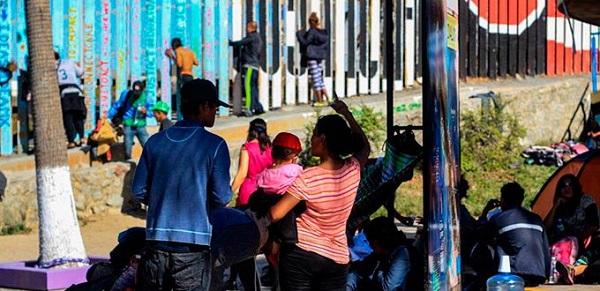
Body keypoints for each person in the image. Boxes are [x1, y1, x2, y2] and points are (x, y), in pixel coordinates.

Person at [132, 78, 233, 290]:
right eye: (214, 107)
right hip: (192, 250)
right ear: (204, 107)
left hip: (155, 246)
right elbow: (222, 197)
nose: (216, 112)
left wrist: (162, 200)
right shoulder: (215, 145)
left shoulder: (155, 142)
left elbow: (139, 190)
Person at [269, 99, 370, 290]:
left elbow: (276, 214)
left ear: (322, 139)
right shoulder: (352, 170)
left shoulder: (308, 177)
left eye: (314, 135)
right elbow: (364, 146)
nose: (311, 139)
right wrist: (345, 113)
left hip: (301, 256)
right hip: (336, 258)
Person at [474, 182, 550, 287]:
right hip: (538, 275)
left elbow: (480, 236)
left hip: (513, 275)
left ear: (502, 200)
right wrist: (546, 274)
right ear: (522, 199)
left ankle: (482, 279)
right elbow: (545, 249)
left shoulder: (498, 219)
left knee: (489, 244)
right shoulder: (536, 219)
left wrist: (484, 213)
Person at [544, 174, 600, 283]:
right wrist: (555, 207)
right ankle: (563, 270)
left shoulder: (586, 200)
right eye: (563, 185)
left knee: (589, 256)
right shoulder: (561, 205)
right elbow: (546, 227)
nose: (567, 188)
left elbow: (594, 225)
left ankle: (571, 271)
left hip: (588, 240)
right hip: (569, 243)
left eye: (570, 185)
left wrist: (580, 238)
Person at [347, 217, 416, 291]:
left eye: (370, 243)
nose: (370, 247)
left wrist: (377, 270)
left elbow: (389, 288)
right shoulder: (381, 254)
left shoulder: (402, 253)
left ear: (376, 243)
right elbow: (358, 271)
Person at [231, 118, 273, 207]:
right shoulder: (271, 148)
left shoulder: (246, 148)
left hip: (248, 192)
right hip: (266, 191)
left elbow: (242, 174)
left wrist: (230, 193)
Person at [107, 81, 153, 160]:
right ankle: (128, 162)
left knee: (148, 147)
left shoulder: (147, 97)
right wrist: (107, 116)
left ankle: (150, 163)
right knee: (127, 149)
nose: (136, 95)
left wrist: (146, 112)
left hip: (140, 125)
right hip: (128, 125)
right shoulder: (126, 94)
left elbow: (152, 112)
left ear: (142, 90)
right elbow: (116, 106)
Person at [229, 21, 265, 116]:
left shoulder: (252, 37)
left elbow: (240, 43)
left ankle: (249, 109)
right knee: (254, 88)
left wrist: (230, 43)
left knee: (248, 87)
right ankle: (258, 108)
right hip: (255, 67)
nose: (246, 29)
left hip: (249, 66)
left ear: (251, 28)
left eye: (247, 27)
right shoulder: (258, 38)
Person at [297, 12, 330, 107]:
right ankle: (328, 99)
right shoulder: (324, 32)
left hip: (312, 56)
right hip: (321, 57)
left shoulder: (312, 31)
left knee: (316, 79)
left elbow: (305, 42)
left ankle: (320, 101)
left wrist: (299, 34)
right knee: (319, 79)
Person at [55, 51, 86, 148]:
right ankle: (82, 138)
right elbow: (81, 72)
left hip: (64, 93)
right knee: (78, 116)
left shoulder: (53, 67)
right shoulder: (69, 63)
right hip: (76, 91)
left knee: (68, 118)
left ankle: (71, 141)